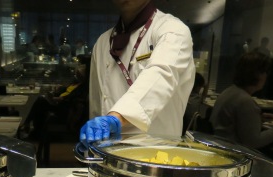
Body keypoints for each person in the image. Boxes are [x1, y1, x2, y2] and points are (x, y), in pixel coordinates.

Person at [80, 0, 194, 145]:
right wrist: (92, 143)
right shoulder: (103, 42)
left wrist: (115, 119)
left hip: (157, 156)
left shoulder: (172, 31)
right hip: (108, 158)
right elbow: (97, 104)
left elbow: (161, 77)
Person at [209, 52, 273, 150]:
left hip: (220, 147)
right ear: (258, 74)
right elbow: (254, 142)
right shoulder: (245, 101)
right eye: (265, 72)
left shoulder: (229, 91)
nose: (266, 76)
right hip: (234, 153)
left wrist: (257, 119)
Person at [20, 64, 88, 139]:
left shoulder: (82, 87)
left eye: (78, 74)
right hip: (59, 102)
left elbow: (71, 98)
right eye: (76, 73)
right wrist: (56, 92)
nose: (76, 75)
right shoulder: (75, 83)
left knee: (41, 101)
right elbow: (65, 90)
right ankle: (32, 127)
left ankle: (29, 125)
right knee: (41, 104)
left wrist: (58, 98)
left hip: (64, 106)